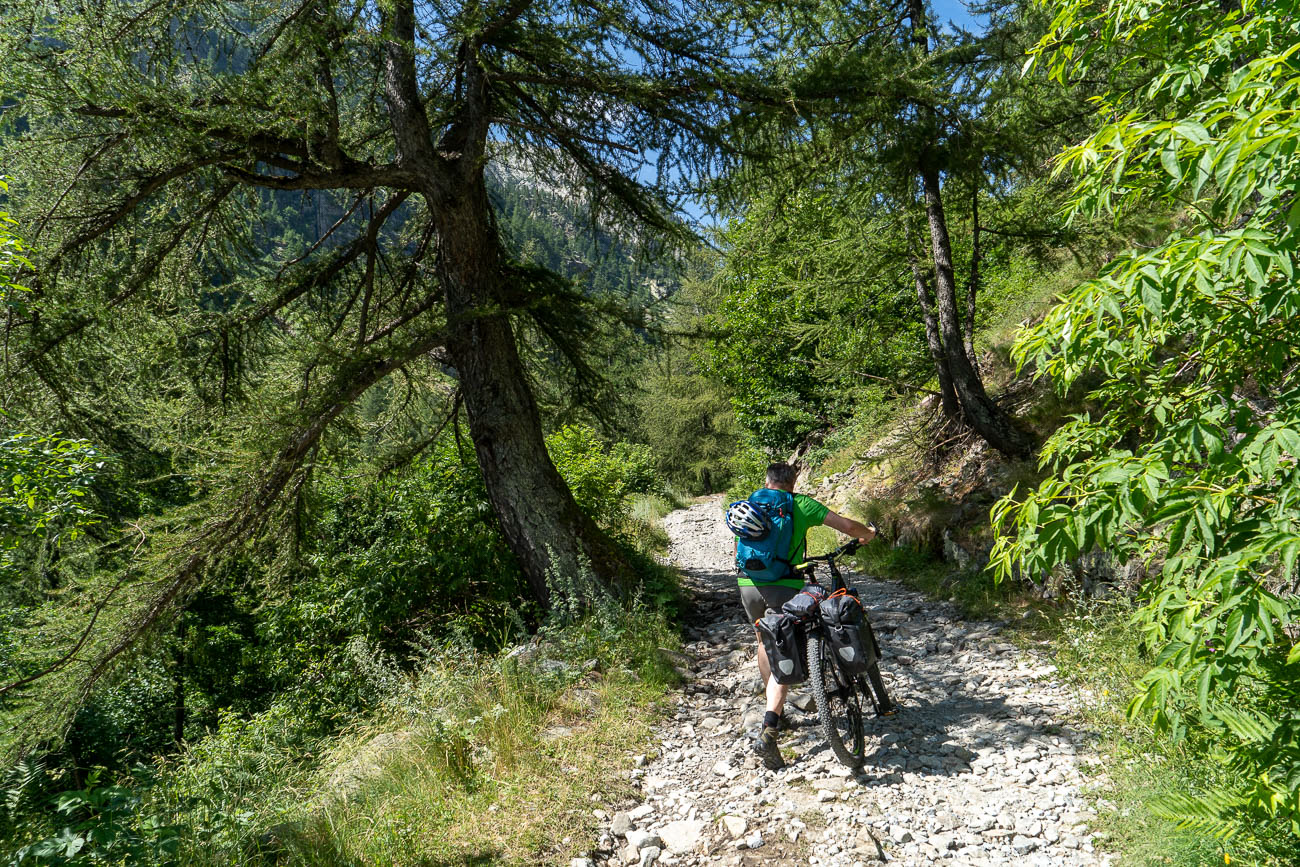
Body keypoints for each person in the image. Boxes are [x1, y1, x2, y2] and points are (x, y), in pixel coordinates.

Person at [734, 461, 877, 770]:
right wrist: (868, 534)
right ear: (793, 482)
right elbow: (847, 526)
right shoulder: (799, 504)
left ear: (767, 481)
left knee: (765, 641)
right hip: (784, 584)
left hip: (747, 584)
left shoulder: (752, 503)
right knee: (786, 644)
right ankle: (770, 726)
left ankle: (777, 709)